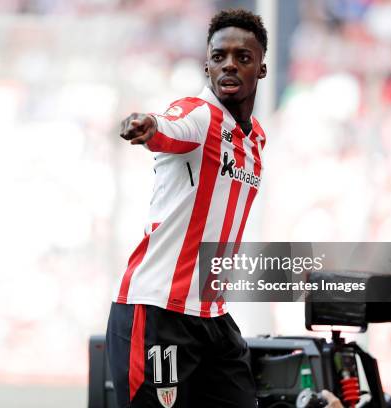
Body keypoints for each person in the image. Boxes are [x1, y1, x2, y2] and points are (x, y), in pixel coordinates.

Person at [106, 8, 268, 408]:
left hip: (212, 317)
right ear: (207, 67)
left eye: (242, 58)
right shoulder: (198, 114)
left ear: (261, 69)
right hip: (160, 311)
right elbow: (169, 126)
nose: (229, 65)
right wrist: (148, 126)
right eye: (219, 57)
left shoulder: (256, 141)